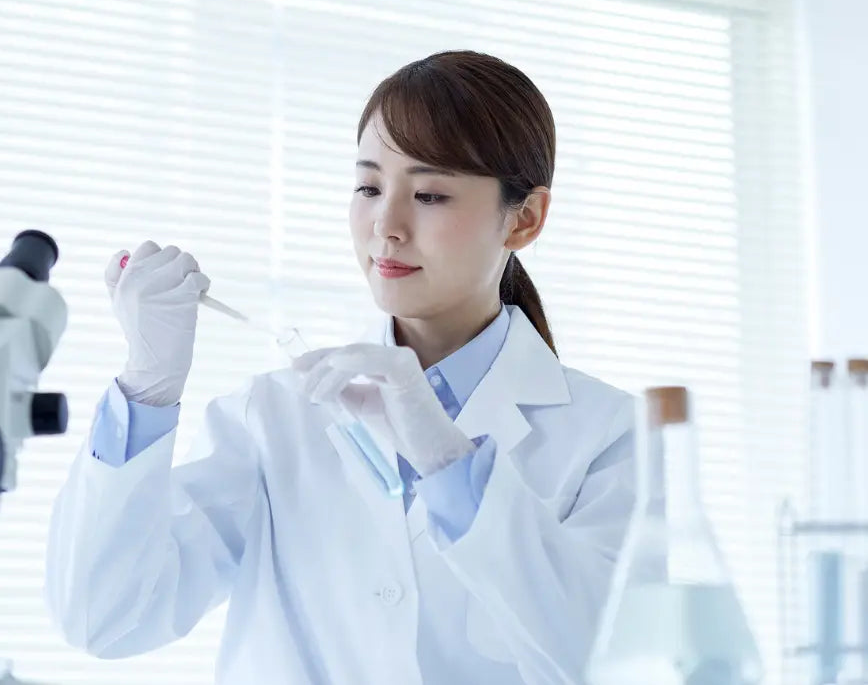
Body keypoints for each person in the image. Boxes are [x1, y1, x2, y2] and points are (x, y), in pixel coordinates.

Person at [44, 50, 636, 685]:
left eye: (431, 193)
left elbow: (615, 660)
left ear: (524, 218)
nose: (387, 225)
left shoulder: (610, 434)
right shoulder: (271, 417)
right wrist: (146, 387)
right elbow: (105, 617)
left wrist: (453, 468)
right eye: (369, 187)